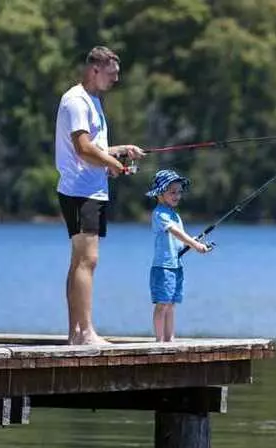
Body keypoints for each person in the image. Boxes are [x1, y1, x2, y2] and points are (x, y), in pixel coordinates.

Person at [55, 46, 145, 345]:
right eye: (111, 73)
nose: (115, 79)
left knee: (80, 260)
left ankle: (75, 334)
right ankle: (85, 332)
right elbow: (82, 148)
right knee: (87, 260)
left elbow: (93, 148)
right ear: (95, 69)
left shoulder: (93, 101)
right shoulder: (76, 101)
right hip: (81, 191)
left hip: (91, 189)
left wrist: (119, 151)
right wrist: (112, 163)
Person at [146, 169, 211, 342]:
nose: (177, 196)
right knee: (162, 304)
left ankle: (170, 339)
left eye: (179, 192)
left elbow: (179, 240)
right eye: (172, 192)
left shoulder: (175, 215)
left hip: (176, 266)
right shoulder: (159, 214)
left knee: (172, 304)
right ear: (160, 193)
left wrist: (193, 242)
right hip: (163, 267)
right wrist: (195, 244)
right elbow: (175, 232)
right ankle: (159, 341)